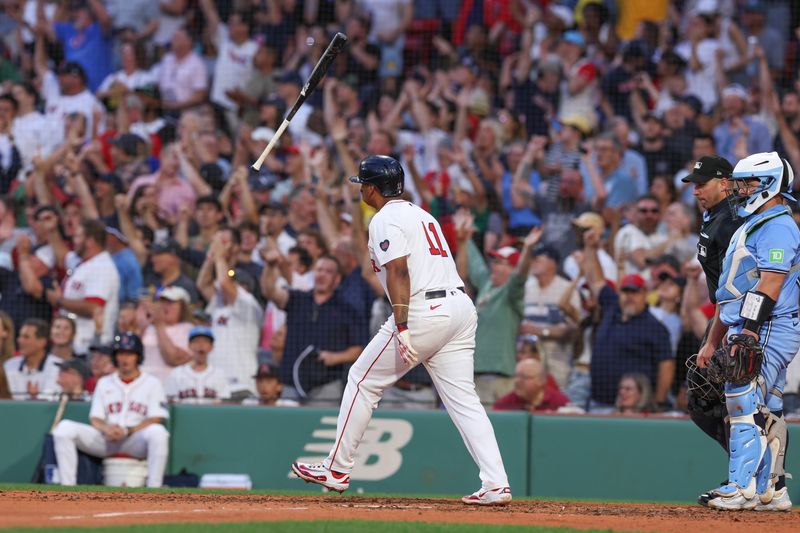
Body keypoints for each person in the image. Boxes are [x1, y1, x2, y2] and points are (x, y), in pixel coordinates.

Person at [291, 155, 512, 505]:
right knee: (465, 402)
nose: (361, 189)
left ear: (373, 188)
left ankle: (336, 467)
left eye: (363, 184)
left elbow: (398, 271)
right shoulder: (422, 214)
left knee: (362, 379)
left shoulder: (384, 218)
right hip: (458, 307)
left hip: (424, 309)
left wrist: (404, 325)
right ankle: (497, 484)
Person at [696, 152, 799, 511]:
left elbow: (770, 285)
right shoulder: (756, 222)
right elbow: (733, 293)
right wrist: (713, 338)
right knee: (766, 407)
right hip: (755, 324)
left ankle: (741, 487)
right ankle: (772, 491)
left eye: (748, 183)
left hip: (768, 325)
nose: (740, 189)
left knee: (743, 401)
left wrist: (750, 330)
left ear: (770, 184)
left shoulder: (779, 226)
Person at [680, 154, 743, 505]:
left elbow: (733, 286)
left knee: (736, 401)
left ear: (725, 181)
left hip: (740, 317)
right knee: (704, 398)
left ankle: (752, 478)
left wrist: (713, 338)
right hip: (724, 313)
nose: (696, 190)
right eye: (694, 184)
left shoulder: (734, 220)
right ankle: (743, 473)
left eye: (702, 183)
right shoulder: (714, 215)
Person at [51, 332, 170, 487]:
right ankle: (68, 487)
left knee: (158, 432)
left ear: (138, 356)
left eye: (129, 353)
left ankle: (154, 487)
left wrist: (128, 430)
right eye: (121, 353)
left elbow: (156, 417)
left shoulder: (152, 383)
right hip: (106, 440)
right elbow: (95, 418)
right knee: (64, 429)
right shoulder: (104, 382)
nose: (124, 358)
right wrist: (106, 428)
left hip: (135, 440)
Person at [45, 219, 120, 354]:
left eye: (78, 236)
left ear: (90, 241)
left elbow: (93, 307)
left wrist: (59, 300)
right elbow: (63, 257)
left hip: (89, 346)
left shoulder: (102, 268)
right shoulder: (83, 261)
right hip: (74, 343)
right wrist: (52, 231)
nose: (74, 239)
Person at [164, 326, 229, 404]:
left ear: (211, 347)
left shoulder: (219, 374)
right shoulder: (176, 374)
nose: (201, 345)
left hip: (211, 416)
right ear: (189, 345)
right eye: (196, 341)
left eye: (205, 341)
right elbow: (169, 402)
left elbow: (223, 404)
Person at [3, 319, 62, 400]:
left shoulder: (57, 367)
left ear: (42, 342)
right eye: (20, 336)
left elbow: (51, 402)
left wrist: (34, 398)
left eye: (26, 337)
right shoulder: (9, 365)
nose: (19, 340)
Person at [493, 359, 569, 412]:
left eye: (524, 377)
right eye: (516, 376)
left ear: (541, 380)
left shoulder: (560, 402)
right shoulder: (503, 404)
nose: (517, 381)